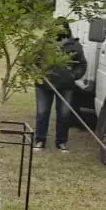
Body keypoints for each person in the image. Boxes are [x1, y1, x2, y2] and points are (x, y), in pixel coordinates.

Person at [34, 21, 87, 152]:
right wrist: (38, 74)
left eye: (62, 28)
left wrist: (73, 75)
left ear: (66, 29)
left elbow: (82, 64)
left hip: (66, 86)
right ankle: (40, 140)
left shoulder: (75, 45)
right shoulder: (43, 43)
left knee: (64, 114)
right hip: (44, 84)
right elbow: (32, 60)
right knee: (42, 113)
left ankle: (61, 142)